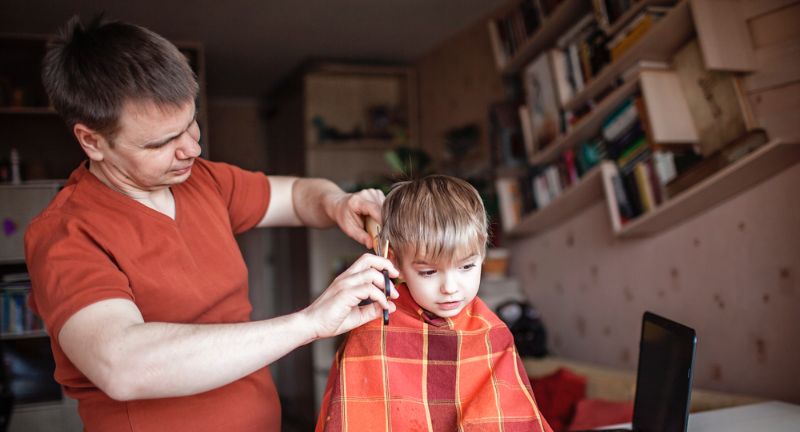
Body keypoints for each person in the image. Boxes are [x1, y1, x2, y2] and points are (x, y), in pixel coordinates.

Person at [24, 15, 399, 432]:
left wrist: (337, 202)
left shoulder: (203, 180)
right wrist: (308, 324)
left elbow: (295, 195)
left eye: (189, 124)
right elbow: (122, 364)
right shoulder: (65, 232)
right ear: (92, 141)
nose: (191, 148)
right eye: (162, 142)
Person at [316, 175, 553, 432]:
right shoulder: (372, 334)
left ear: (482, 254)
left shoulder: (492, 334)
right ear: (394, 263)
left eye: (466, 266)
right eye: (429, 272)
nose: (450, 287)